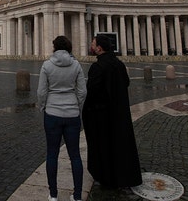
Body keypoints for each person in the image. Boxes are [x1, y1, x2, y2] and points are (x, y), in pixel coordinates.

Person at [82, 34, 142, 188]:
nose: (91, 45)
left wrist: (88, 110)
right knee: (119, 145)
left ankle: (104, 176)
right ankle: (122, 175)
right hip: (119, 112)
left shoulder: (98, 67)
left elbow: (92, 92)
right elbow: (126, 83)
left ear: (99, 48)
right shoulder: (119, 64)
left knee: (103, 145)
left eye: (93, 43)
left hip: (102, 114)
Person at [37, 35, 87, 201]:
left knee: (52, 154)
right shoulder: (76, 65)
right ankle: (77, 195)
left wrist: (43, 106)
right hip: (72, 114)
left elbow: (41, 92)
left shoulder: (47, 65)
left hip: (52, 113)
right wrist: (76, 105)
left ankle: (53, 195)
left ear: (55, 48)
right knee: (75, 156)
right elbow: (82, 91)